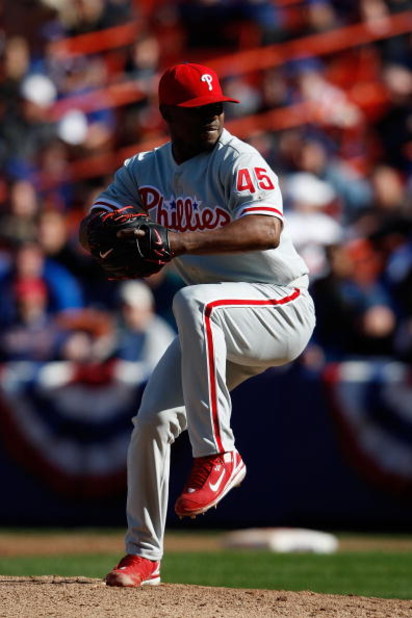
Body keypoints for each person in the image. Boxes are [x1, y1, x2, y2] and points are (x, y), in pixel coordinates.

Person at [79, 62, 316, 587]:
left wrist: (176, 241)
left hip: (280, 307)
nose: (212, 115)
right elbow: (92, 222)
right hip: (216, 324)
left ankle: (219, 454)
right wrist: (102, 233)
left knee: (193, 302)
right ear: (167, 115)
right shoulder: (143, 168)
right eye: (197, 110)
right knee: (152, 424)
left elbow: (266, 227)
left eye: (216, 106)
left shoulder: (238, 158)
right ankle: (143, 555)